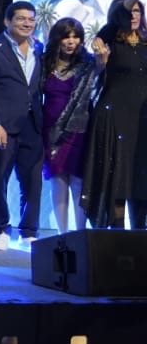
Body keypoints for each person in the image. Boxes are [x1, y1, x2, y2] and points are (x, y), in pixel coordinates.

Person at [0, 0, 43, 249]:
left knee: (32, 182)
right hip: (2, 126)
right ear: (8, 21)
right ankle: (1, 229)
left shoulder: (39, 48)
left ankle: (29, 231)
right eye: (21, 18)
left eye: (31, 19)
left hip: (32, 125)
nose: (27, 23)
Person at [82, 0, 147, 229]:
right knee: (117, 177)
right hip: (114, 117)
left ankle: (140, 235)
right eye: (129, 11)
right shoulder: (108, 40)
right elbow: (115, 21)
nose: (133, 15)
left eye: (137, 10)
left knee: (141, 177)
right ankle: (116, 236)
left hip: (142, 119)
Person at [40, 18, 96, 233]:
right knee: (58, 180)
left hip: (78, 129)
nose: (71, 41)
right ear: (58, 38)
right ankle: (62, 235)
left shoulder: (88, 64)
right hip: (51, 129)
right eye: (66, 37)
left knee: (78, 181)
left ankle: (80, 232)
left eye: (76, 37)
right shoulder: (45, 62)